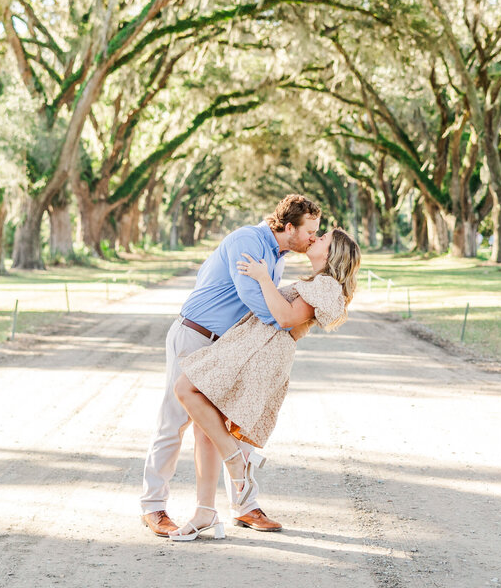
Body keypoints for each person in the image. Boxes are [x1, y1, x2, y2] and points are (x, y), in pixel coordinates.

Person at [139, 195, 322, 538]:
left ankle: (243, 506)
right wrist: (286, 314)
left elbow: (266, 302)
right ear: (288, 228)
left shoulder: (277, 256)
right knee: (174, 422)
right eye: (310, 231)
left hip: (226, 346)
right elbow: (261, 305)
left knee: (229, 423)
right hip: (194, 334)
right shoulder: (247, 242)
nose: (314, 237)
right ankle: (154, 507)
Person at [167, 228, 361, 541]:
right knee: (206, 427)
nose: (316, 237)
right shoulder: (316, 282)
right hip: (253, 345)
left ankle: (236, 464)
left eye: (323, 238)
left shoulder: (326, 285)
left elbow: (285, 318)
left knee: (185, 388)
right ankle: (205, 511)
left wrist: (262, 277)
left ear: (331, 254)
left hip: (261, 351)